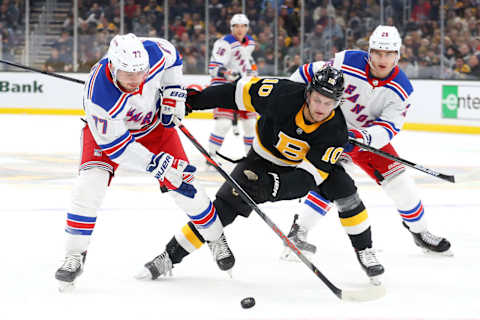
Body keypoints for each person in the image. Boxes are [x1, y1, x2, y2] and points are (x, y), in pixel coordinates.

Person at [137, 66, 385, 284]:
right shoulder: (282, 94)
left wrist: (276, 187)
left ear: (338, 103)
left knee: (345, 189)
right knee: (223, 209)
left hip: (298, 171)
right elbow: (234, 93)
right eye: (318, 99)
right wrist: (195, 101)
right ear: (308, 92)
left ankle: (365, 250)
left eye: (329, 103)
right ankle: (169, 256)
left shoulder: (336, 132)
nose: (321, 107)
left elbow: (309, 179)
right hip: (260, 160)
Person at [54, 34, 234, 290]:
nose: (135, 80)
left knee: (186, 188)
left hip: (154, 128)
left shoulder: (152, 53)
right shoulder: (99, 96)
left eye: (140, 73)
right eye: (127, 73)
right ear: (112, 66)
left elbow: (172, 54)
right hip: (110, 137)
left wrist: (174, 93)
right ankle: (74, 255)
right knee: (89, 186)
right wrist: (156, 164)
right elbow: (116, 147)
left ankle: (216, 238)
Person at [282, 25, 451, 263]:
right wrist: (285, 97)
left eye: (389, 53)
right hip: (330, 130)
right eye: (378, 53)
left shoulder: (402, 89)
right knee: (328, 179)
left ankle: (420, 232)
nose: (382, 59)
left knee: (401, 184)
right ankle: (298, 230)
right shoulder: (347, 61)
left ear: (397, 55)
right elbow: (307, 72)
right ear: (369, 52)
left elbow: (389, 127)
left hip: (365, 138)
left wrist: (362, 138)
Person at [207, 13, 257, 163]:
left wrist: (252, 75)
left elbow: (248, 64)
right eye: (236, 26)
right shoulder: (224, 43)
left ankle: (251, 158)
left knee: (250, 124)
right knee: (223, 123)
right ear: (231, 27)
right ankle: (212, 156)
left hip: (244, 87)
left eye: (243, 26)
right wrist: (227, 73)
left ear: (247, 27)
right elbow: (214, 66)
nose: (240, 29)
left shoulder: (250, 44)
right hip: (226, 86)